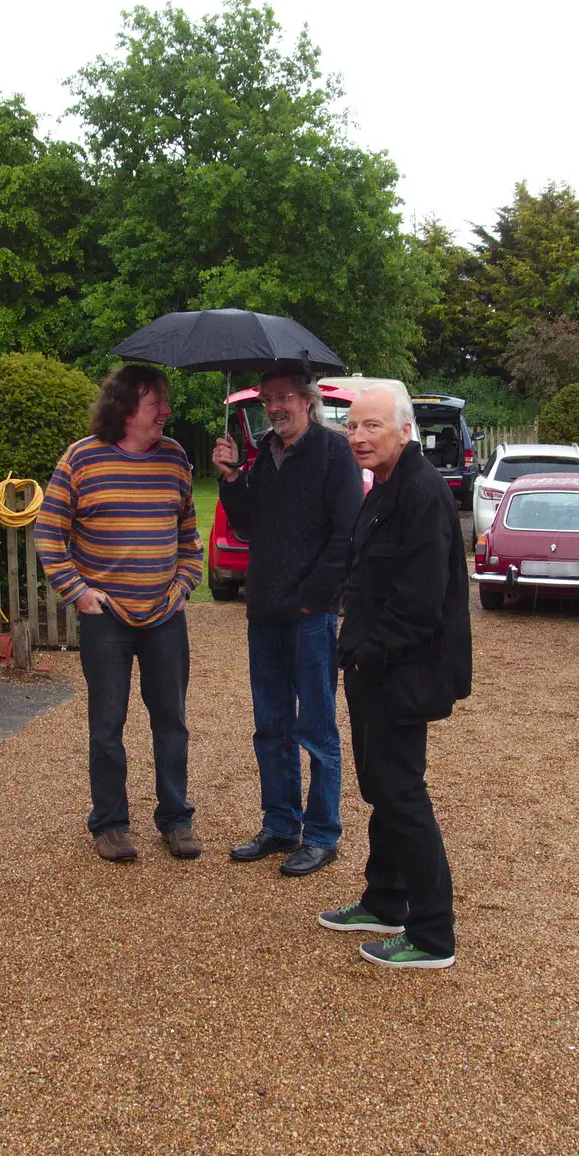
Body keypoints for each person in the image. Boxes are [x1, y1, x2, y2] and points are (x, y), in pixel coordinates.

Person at [316, 386, 471, 969]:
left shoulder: (421, 492)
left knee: (402, 794)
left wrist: (366, 655)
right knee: (382, 788)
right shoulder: (383, 488)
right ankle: (385, 900)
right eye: (352, 426)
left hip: (400, 672)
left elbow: (421, 601)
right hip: (372, 667)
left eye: (372, 426)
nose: (358, 436)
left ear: (405, 431)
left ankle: (432, 935)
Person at [36, 364, 204, 863]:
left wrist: (183, 585)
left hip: (164, 616)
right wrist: (78, 592)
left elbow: (189, 536)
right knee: (107, 723)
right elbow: (49, 532)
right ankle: (109, 823)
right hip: (106, 617)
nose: (166, 413)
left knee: (171, 721)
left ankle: (176, 819)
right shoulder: (81, 459)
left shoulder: (174, 457)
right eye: (158, 404)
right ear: (127, 408)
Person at [212, 361, 363, 877]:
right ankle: (280, 825)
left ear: (306, 400)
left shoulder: (332, 451)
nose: (275, 408)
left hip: (309, 619)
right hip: (264, 613)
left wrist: (313, 599)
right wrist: (232, 477)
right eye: (267, 400)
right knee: (270, 727)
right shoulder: (266, 458)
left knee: (316, 728)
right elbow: (251, 525)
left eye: (284, 398)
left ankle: (321, 835)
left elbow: (346, 534)